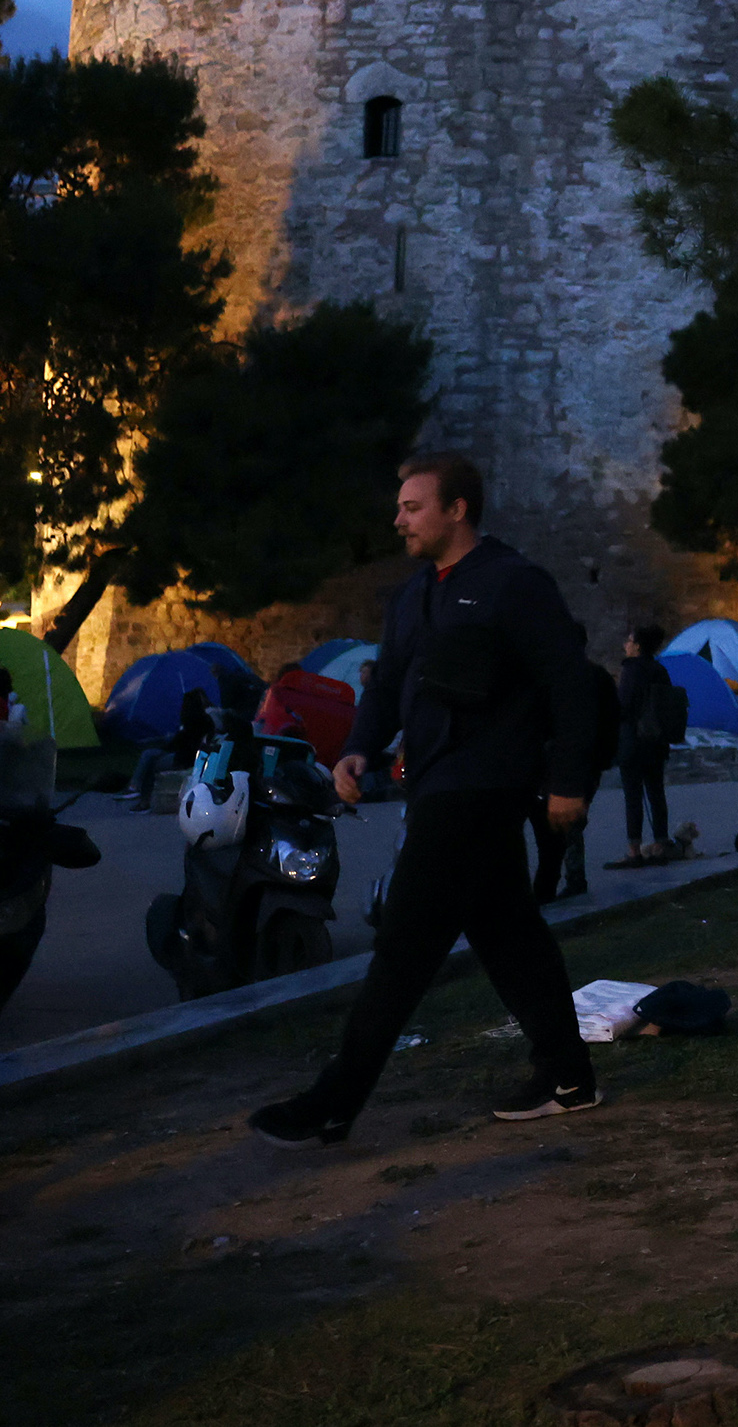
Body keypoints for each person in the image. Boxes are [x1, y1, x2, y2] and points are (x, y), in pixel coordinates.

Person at [248, 454, 602, 1147]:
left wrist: (569, 781)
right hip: (437, 781)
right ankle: (570, 1077)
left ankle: (335, 1100)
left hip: (482, 787)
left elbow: (572, 684)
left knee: (404, 944)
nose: (398, 520)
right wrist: (358, 747)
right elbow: (387, 686)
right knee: (510, 936)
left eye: (413, 507)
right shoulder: (414, 595)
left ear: (457, 510)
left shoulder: (513, 584)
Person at [532, 637, 620, 905]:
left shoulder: (563, 677)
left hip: (566, 760)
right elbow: (612, 720)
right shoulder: (599, 677)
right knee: (569, 822)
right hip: (590, 761)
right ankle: (569, 877)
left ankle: (567, 879)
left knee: (561, 823)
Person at [611, 625, 681, 866]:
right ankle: (660, 844)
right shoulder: (660, 670)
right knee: (656, 793)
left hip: (633, 741)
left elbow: (625, 707)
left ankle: (634, 851)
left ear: (638, 645)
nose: (625, 645)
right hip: (656, 742)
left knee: (633, 796)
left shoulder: (630, 670)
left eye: (629, 641)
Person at [128, 687, 217, 807]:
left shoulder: (193, 723)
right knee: (149, 754)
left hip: (184, 758)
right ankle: (135, 787)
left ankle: (141, 796)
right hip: (190, 755)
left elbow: (180, 743)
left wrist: (167, 746)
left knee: (151, 762)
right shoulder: (205, 720)